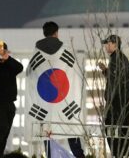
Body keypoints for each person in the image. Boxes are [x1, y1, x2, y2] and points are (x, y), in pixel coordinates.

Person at [36, 21, 85, 158]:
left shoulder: (37, 51)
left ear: (44, 33)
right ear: (56, 33)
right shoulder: (65, 49)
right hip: (64, 100)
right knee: (72, 135)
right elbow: (74, 72)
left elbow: (31, 75)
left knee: (48, 137)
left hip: (46, 101)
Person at [98, 34, 129, 158]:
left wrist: (108, 101)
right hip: (122, 102)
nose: (106, 47)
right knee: (123, 132)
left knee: (111, 129)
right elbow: (117, 77)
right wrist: (106, 71)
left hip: (117, 104)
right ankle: (128, 154)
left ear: (115, 45)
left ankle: (122, 155)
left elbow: (114, 84)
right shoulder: (120, 58)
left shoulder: (116, 59)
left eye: (108, 44)